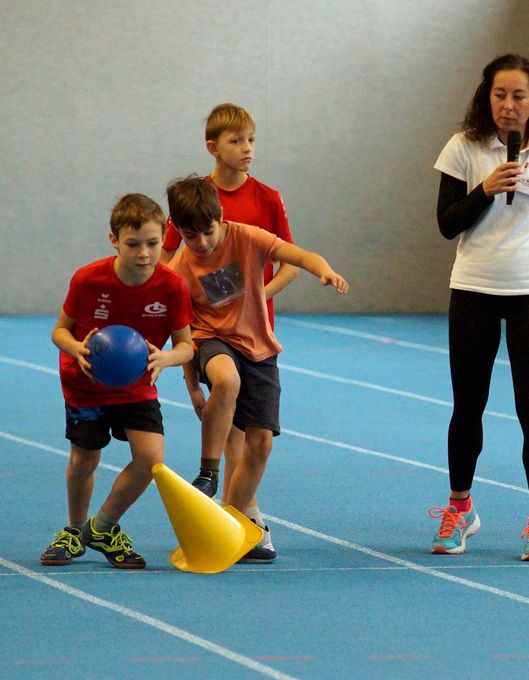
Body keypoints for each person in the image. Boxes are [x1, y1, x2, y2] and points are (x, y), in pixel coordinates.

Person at [431, 53, 529, 562]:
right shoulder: (464, 148)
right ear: (486, 98)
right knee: (467, 405)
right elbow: (447, 223)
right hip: (473, 287)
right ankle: (459, 509)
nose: (509, 106)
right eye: (500, 95)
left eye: (519, 96)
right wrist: (485, 189)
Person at [166, 175, 348, 563]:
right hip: (210, 340)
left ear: (220, 218)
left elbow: (297, 255)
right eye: (188, 235)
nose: (199, 243)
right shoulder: (180, 267)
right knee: (226, 379)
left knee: (261, 443)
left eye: (206, 232)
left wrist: (325, 270)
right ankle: (209, 471)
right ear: (178, 231)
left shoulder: (246, 237)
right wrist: (193, 389)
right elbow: (179, 332)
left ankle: (230, 521)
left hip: (259, 347)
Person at [161, 103, 297, 561]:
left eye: (252, 141)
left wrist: (256, 293)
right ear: (213, 148)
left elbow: (288, 261)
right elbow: (168, 267)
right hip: (210, 330)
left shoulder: (267, 198)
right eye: (237, 142)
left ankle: (237, 514)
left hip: (255, 327)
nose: (247, 150)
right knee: (233, 416)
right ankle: (243, 516)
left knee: (256, 431)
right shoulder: (194, 200)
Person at [41, 194, 194, 569]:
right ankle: (74, 530)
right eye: (133, 244)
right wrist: (76, 348)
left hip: (138, 386)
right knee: (84, 459)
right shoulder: (88, 279)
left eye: (153, 243)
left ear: (164, 240)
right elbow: (60, 331)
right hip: (86, 385)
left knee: (151, 460)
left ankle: (104, 526)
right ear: (114, 240)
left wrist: (166, 358)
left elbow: (187, 346)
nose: (144, 253)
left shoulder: (172, 286)